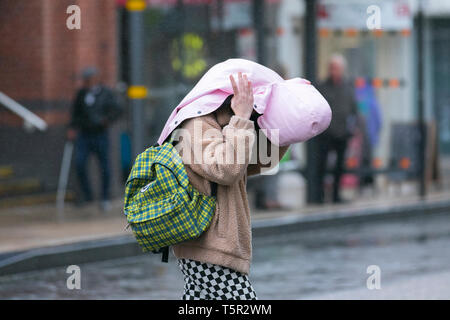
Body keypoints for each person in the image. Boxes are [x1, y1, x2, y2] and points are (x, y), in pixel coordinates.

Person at [172, 72, 289, 300]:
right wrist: (242, 118)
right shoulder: (196, 126)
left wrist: (283, 127)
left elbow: (257, 162)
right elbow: (228, 169)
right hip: (208, 247)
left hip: (211, 246)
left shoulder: (219, 125)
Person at [67, 67, 122, 211]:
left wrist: (106, 120)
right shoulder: (81, 94)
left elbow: (117, 109)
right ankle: (87, 195)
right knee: (80, 163)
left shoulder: (106, 93)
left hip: (100, 134)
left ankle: (105, 197)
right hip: (84, 134)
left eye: (89, 79)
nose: (87, 82)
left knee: (104, 166)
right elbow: (75, 113)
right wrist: (72, 127)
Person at [317, 54, 358, 203]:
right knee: (322, 165)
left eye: (337, 68)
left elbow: (353, 108)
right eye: (332, 68)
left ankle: (336, 195)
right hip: (326, 133)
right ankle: (320, 195)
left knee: (339, 167)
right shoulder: (322, 86)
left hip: (342, 133)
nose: (334, 71)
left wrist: (353, 127)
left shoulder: (348, 86)